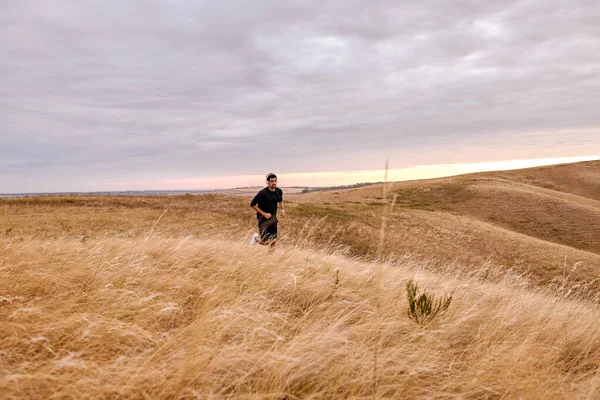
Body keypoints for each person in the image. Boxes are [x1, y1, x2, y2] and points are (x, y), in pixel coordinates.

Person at [249, 173, 285, 247]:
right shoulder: (262, 193)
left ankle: (271, 256)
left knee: (274, 240)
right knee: (265, 242)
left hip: (273, 218)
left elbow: (280, 200)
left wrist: (282, 209)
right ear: (267, 182)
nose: (274, 183)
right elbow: (252, 204)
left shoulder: (279, 191)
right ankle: (255, 238)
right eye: (271, 181)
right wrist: (264, 213)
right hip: (263, 219)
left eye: (275, 181)